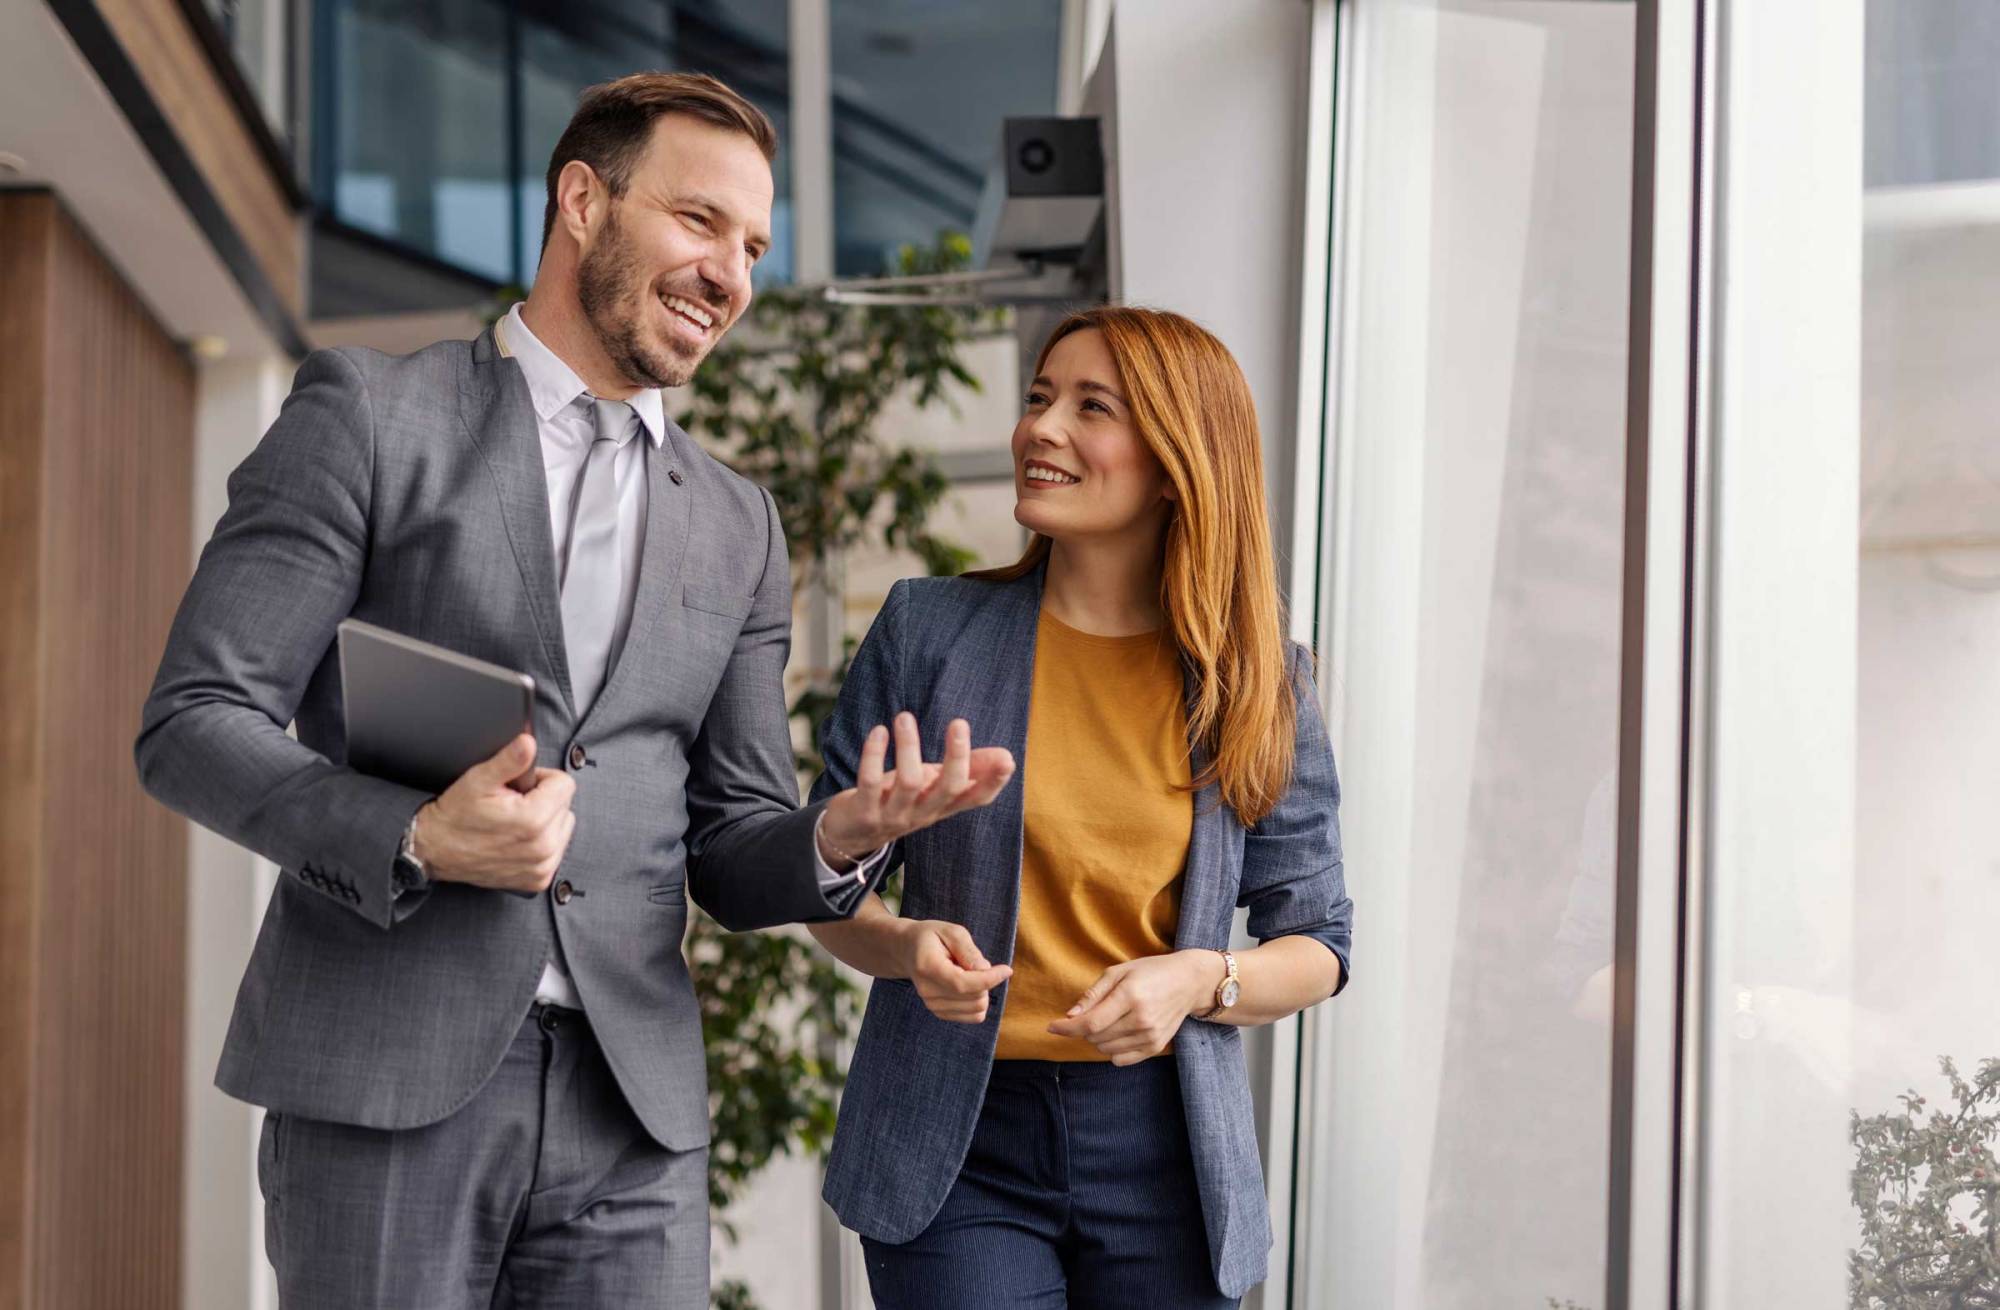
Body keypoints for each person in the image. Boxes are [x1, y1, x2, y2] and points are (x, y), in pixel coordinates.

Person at [135, 72, 1010, 1309]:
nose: (731, 274)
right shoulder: (372, 418)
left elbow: (730, 840)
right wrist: (416, 833)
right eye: (700, 222)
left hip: (630, 1112)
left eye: (754, 246)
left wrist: (838, 837)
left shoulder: (738, 525)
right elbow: (193, 722)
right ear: (582, 200)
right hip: (385, 1075)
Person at [806, 306, 1354, 1308]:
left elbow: (1316, 940)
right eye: (1037, 398)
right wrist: (903, 946)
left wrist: (1200, 977)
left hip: (1165, 1148)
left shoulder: (1258, 681)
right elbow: (822, 884)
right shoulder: (926, 633)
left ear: (1173, 460)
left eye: (1088, 407)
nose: (1040, 429)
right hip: (953, 1140)